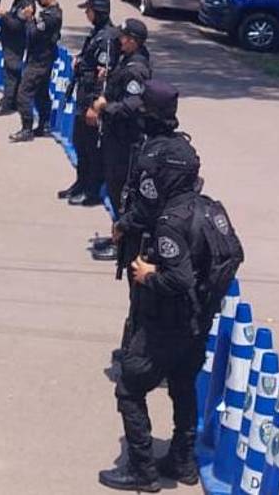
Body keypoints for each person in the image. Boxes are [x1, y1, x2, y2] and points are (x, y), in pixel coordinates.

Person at [98, 80, 206, 492]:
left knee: (131, 383)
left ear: (151, 113)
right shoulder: (186, 151)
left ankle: (142, 471)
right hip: (190, 281)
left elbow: (143, 208)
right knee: (182, 383)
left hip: (157, 263)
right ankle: (183, 460)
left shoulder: (151, 155)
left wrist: (121, 226)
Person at [88, 18, 153, 260]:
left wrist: (105, 107)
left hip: (126, 140)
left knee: (122, 192)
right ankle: (119, 233)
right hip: (116, 137)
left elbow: (133, 105)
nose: (119, 40)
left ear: (133, 41)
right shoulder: (127, 60)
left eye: (124, 38)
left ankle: (124, 244)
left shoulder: (137, 68)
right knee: (116, 190)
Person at [61, 0, 119, 207]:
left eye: (89, 10)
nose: (86, 13)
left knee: (92, 149)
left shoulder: (108, 38)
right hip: (83, 96)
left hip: (93, 101)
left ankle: (92, 191)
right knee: (80, 144)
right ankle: (81, 183)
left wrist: (96, 105)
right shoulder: (97, 34)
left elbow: (104, 77)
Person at [10, 0, 62, 142]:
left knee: (24, 93)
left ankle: (26, 128)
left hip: (40, 60)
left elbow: (33, 33)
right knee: (41, 93)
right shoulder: (49, 13)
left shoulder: (51, 16)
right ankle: (43, 125)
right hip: (41, 58)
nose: (38, 2)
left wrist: (29, 19)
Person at [0, 0, 33, 117]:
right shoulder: (19, 1)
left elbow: (16, 25)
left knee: (11, 76)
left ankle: (7, 104)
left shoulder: (26, 4)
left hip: (16, 46)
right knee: (12, 75)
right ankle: (13, 102)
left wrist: (4, 15)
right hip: (10, 43)